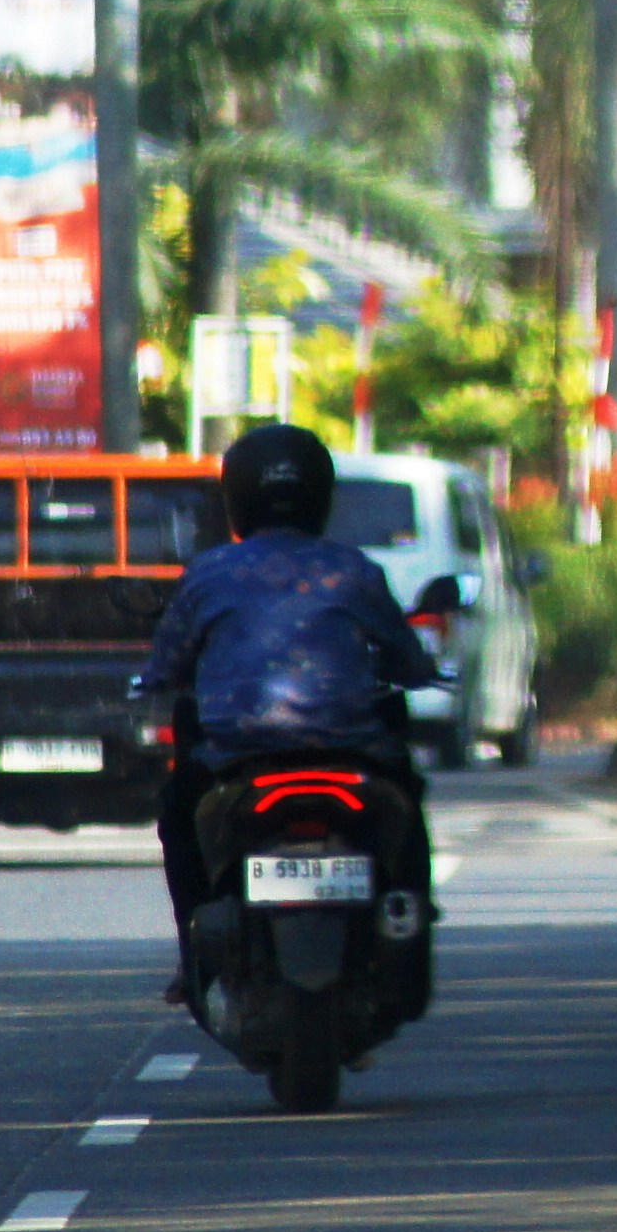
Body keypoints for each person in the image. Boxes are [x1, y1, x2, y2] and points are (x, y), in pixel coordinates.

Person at [132, 424, 441, 995]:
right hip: (349, 750)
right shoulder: (352, 569)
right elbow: (407, 657)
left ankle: (191, 957)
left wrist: (150, 679)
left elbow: (166, 663)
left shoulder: (209, 572)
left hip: (237, 757)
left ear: (236, 498)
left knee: (179, 818)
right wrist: (423, 672)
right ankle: (409, 928)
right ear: (322, 496)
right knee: (408, 804)